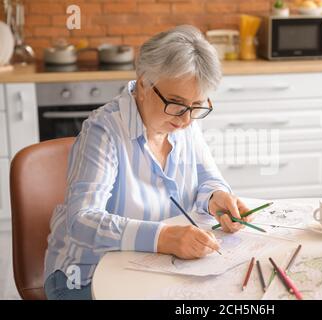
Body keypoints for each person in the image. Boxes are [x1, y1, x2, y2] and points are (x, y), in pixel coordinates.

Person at [44, 25, 251, 300]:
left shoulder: (183, 121)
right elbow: (82, 221)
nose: (186, 119)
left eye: (196, 106)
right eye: (176, 103)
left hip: (155, 269)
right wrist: (163, 237)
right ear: (143, 84)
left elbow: (206, 179)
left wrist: (217, 198)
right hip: (86, 275)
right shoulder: (103, 131)